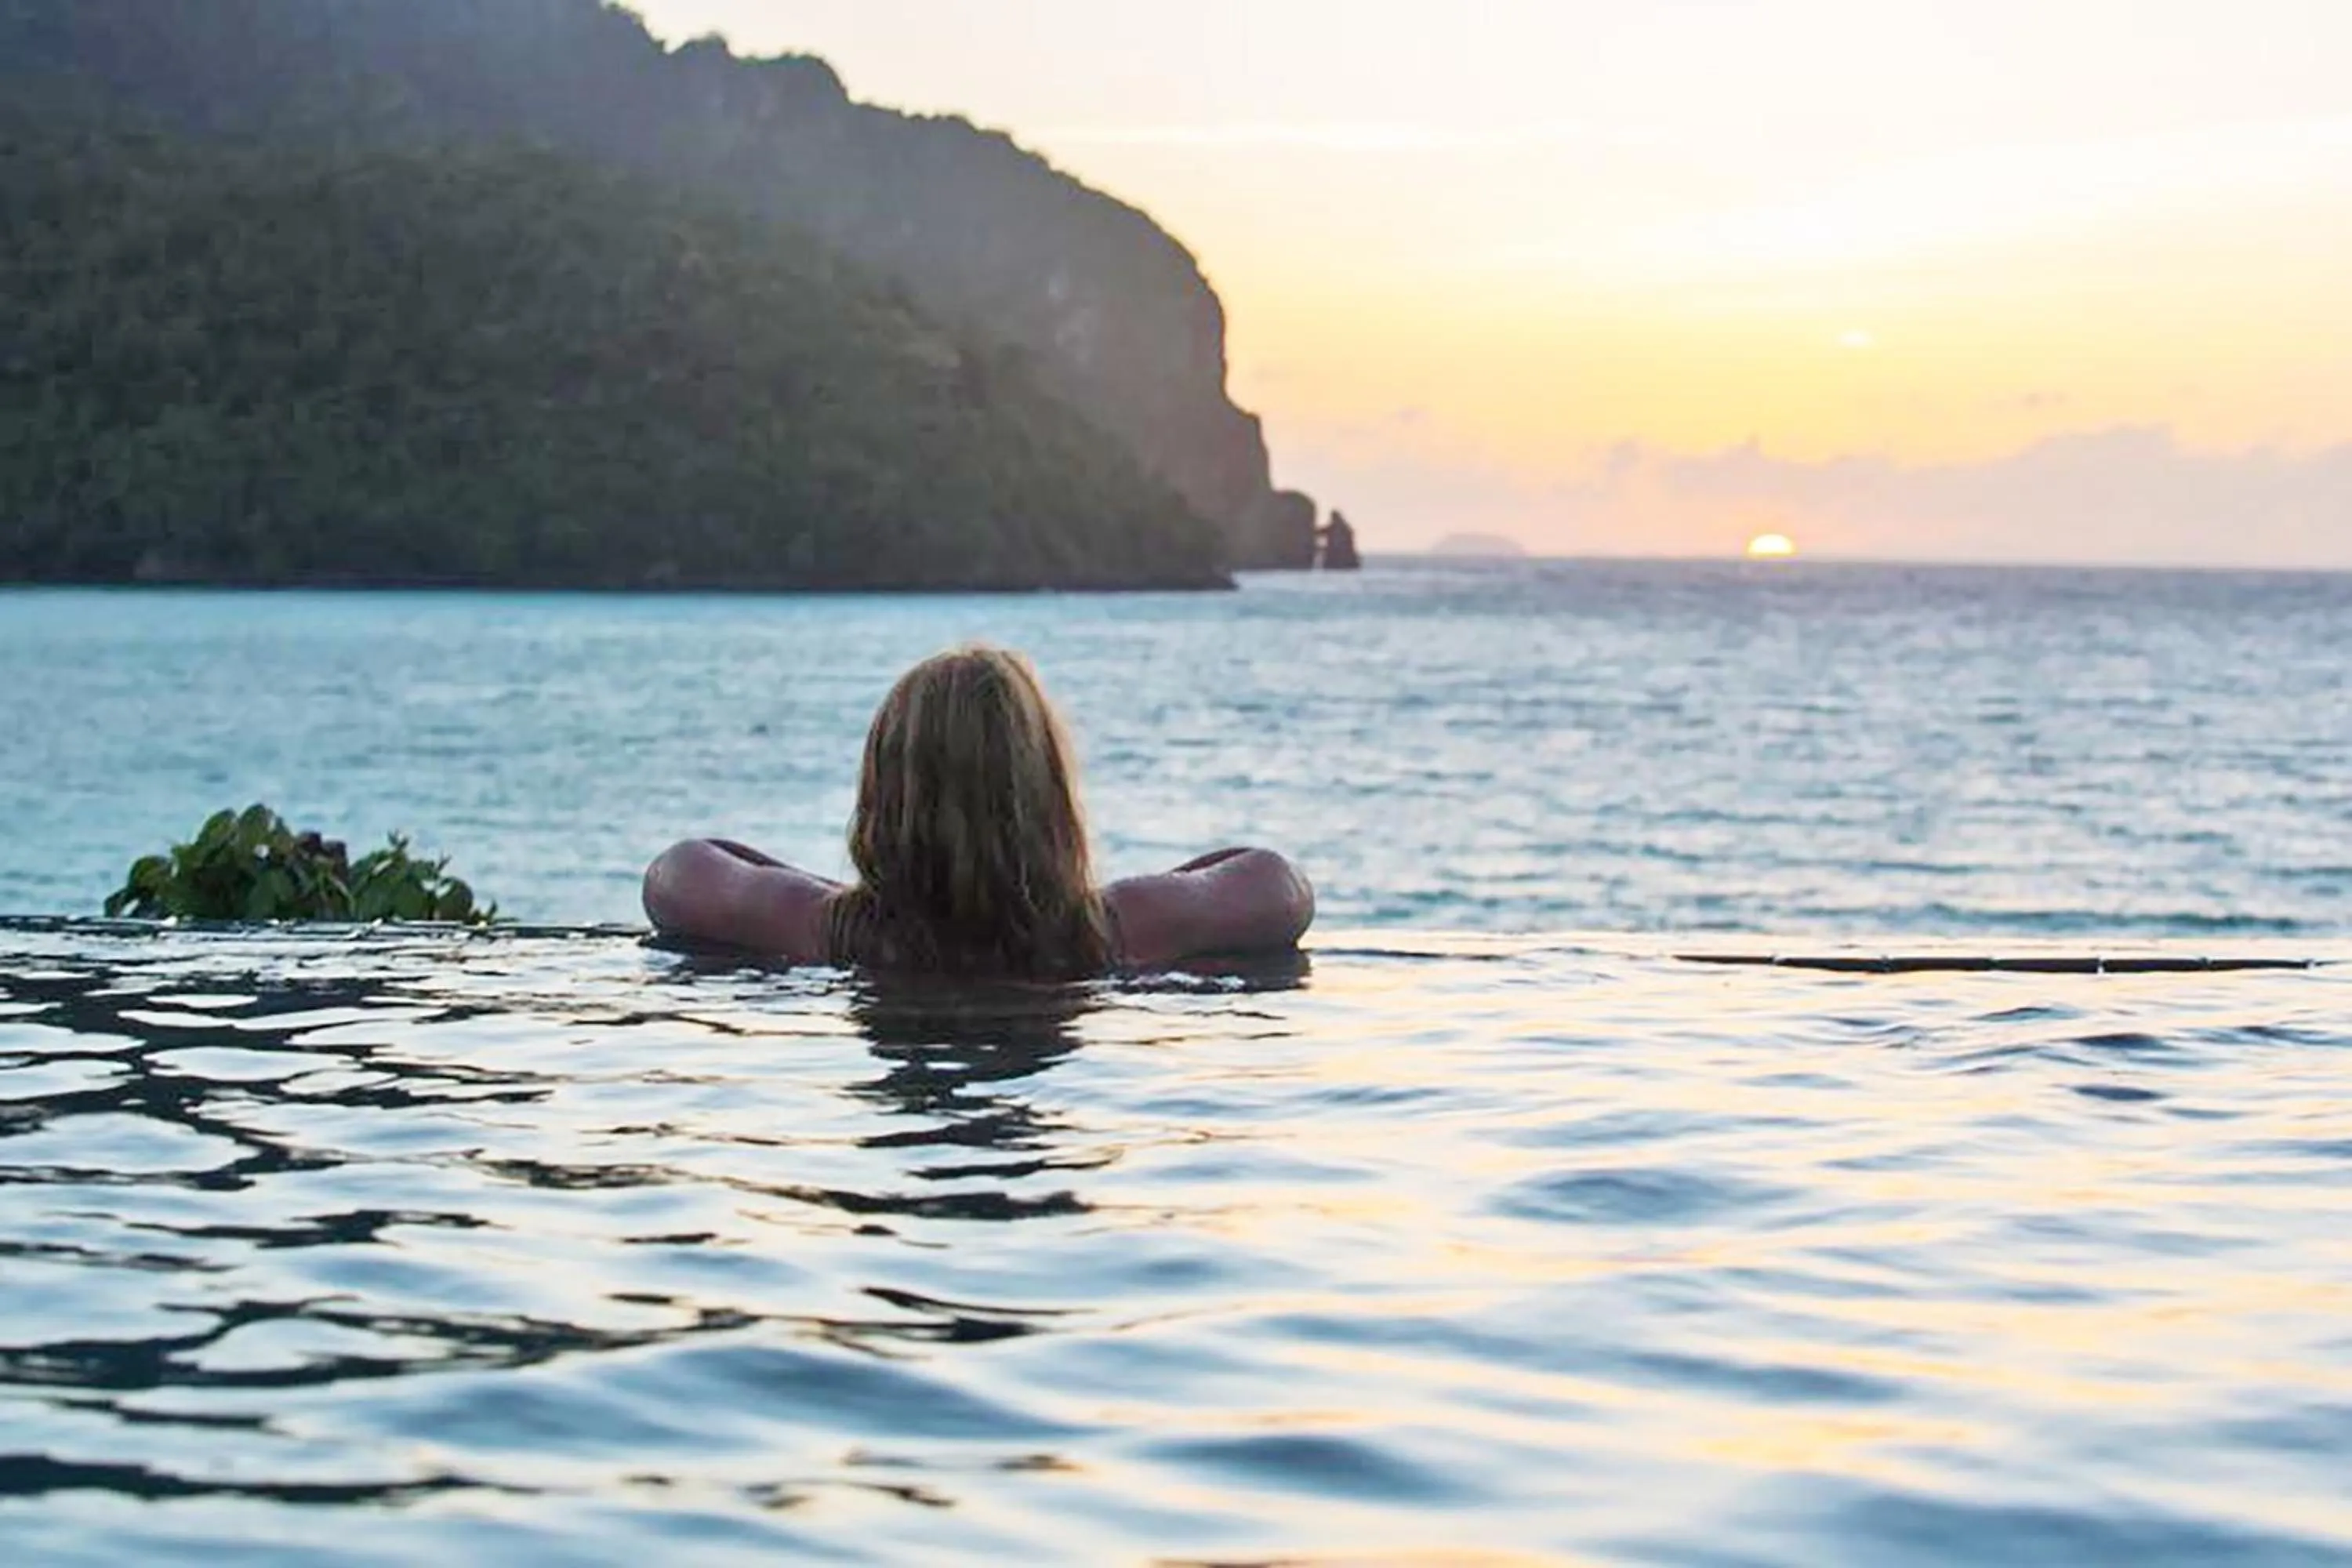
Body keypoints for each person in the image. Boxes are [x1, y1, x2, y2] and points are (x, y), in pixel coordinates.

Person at [641, 645, 1315, 977]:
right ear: (1048, 793)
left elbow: (681, 870)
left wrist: (823, 901)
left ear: (884, 793)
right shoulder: (1116, 929)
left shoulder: (826, 930)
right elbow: (1273, 881)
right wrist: (1127, 902)